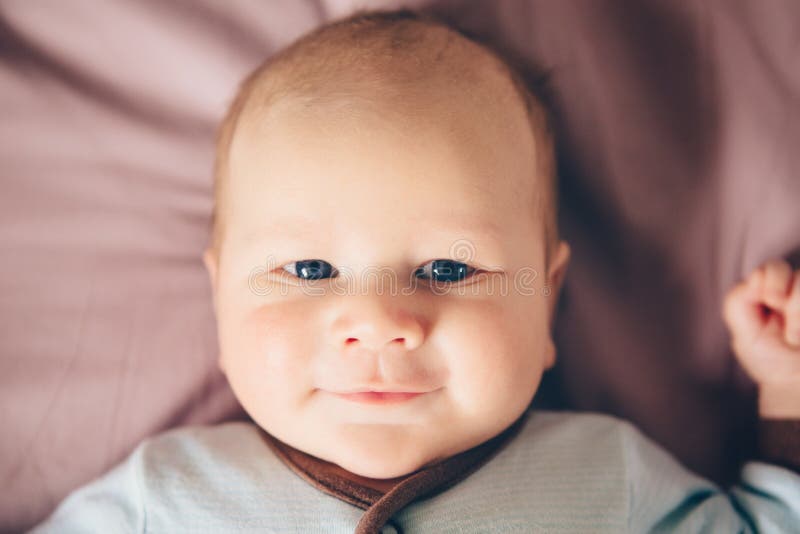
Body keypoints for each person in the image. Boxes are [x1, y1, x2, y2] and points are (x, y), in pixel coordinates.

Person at [31, 8, 800, 534]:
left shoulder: (611, 473)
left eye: (446, 266)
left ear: (548, 301)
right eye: (307, 267)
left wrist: (789, 395)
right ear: (219, 299)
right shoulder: (158, 495)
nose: (379, 322)